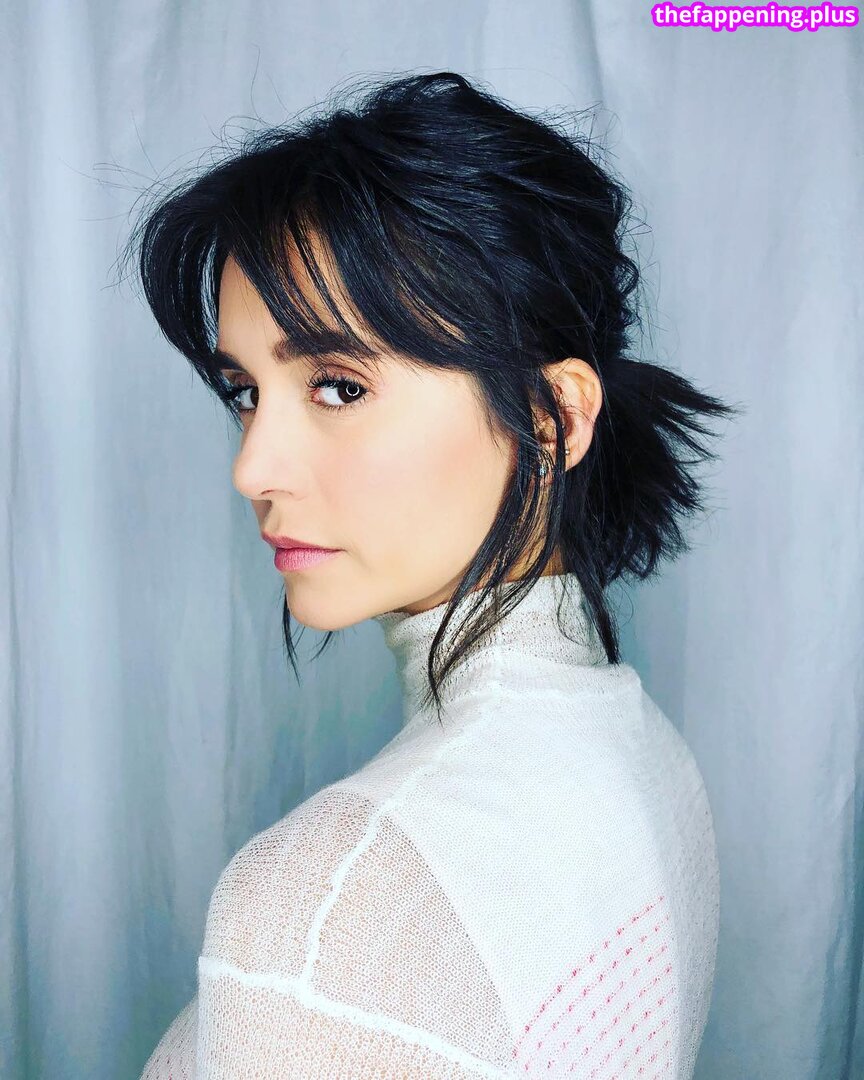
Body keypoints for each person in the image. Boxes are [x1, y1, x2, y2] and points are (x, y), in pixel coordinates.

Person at [128, 70, 740, 1078]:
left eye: (337, 386)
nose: (253, 468)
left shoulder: (329, 898)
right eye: (245, 391)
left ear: (552, 418)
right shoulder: (646, 757)